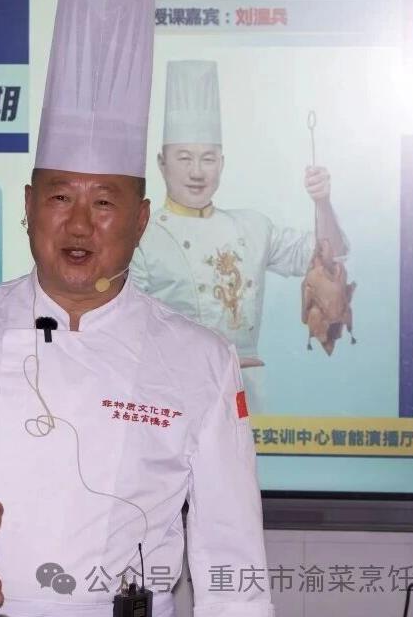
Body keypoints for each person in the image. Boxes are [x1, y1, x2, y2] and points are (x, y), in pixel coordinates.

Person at [0, 0, 275, 617]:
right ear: (28, 206)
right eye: (58, 197)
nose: (78, 224)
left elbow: (231, 557)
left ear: (141, 219)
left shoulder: (201, 358)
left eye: (103, 203)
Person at [130, 60, 348, 412]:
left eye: (208, 159)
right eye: (184, 158)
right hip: (173, 391)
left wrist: (322, 202)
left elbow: (329, 255)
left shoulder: (253, 227)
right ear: (161, 163)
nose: (197, 172)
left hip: (246, 390)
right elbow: (126, 327)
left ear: (222, 162)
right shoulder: (141, 238)